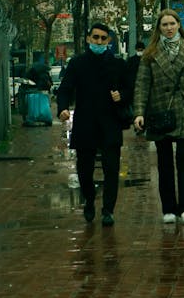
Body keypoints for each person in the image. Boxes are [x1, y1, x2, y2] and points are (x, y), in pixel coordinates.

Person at [133, 9, 184, 225]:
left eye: (172, 24)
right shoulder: (150, 55)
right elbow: (141, 85)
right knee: (164, 162)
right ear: (159, 29)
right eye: (164, 25)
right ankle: (168, 208)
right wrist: (139, 112)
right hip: (160, 112)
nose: (168, 28)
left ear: (179, 25)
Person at [56, 22, 130, 226]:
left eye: (103, 38)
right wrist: (62, 108)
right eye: (95, 37)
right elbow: (65, 88)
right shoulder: (78, 63)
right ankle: (89, 199)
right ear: (89, 38)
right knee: (84, 169)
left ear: (109, 41)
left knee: (112, 168)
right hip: (85, 123)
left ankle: (108, 210)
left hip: (110, 123)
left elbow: (130, 90)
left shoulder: (117, 64)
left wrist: (121, 95)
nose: (99, 41)